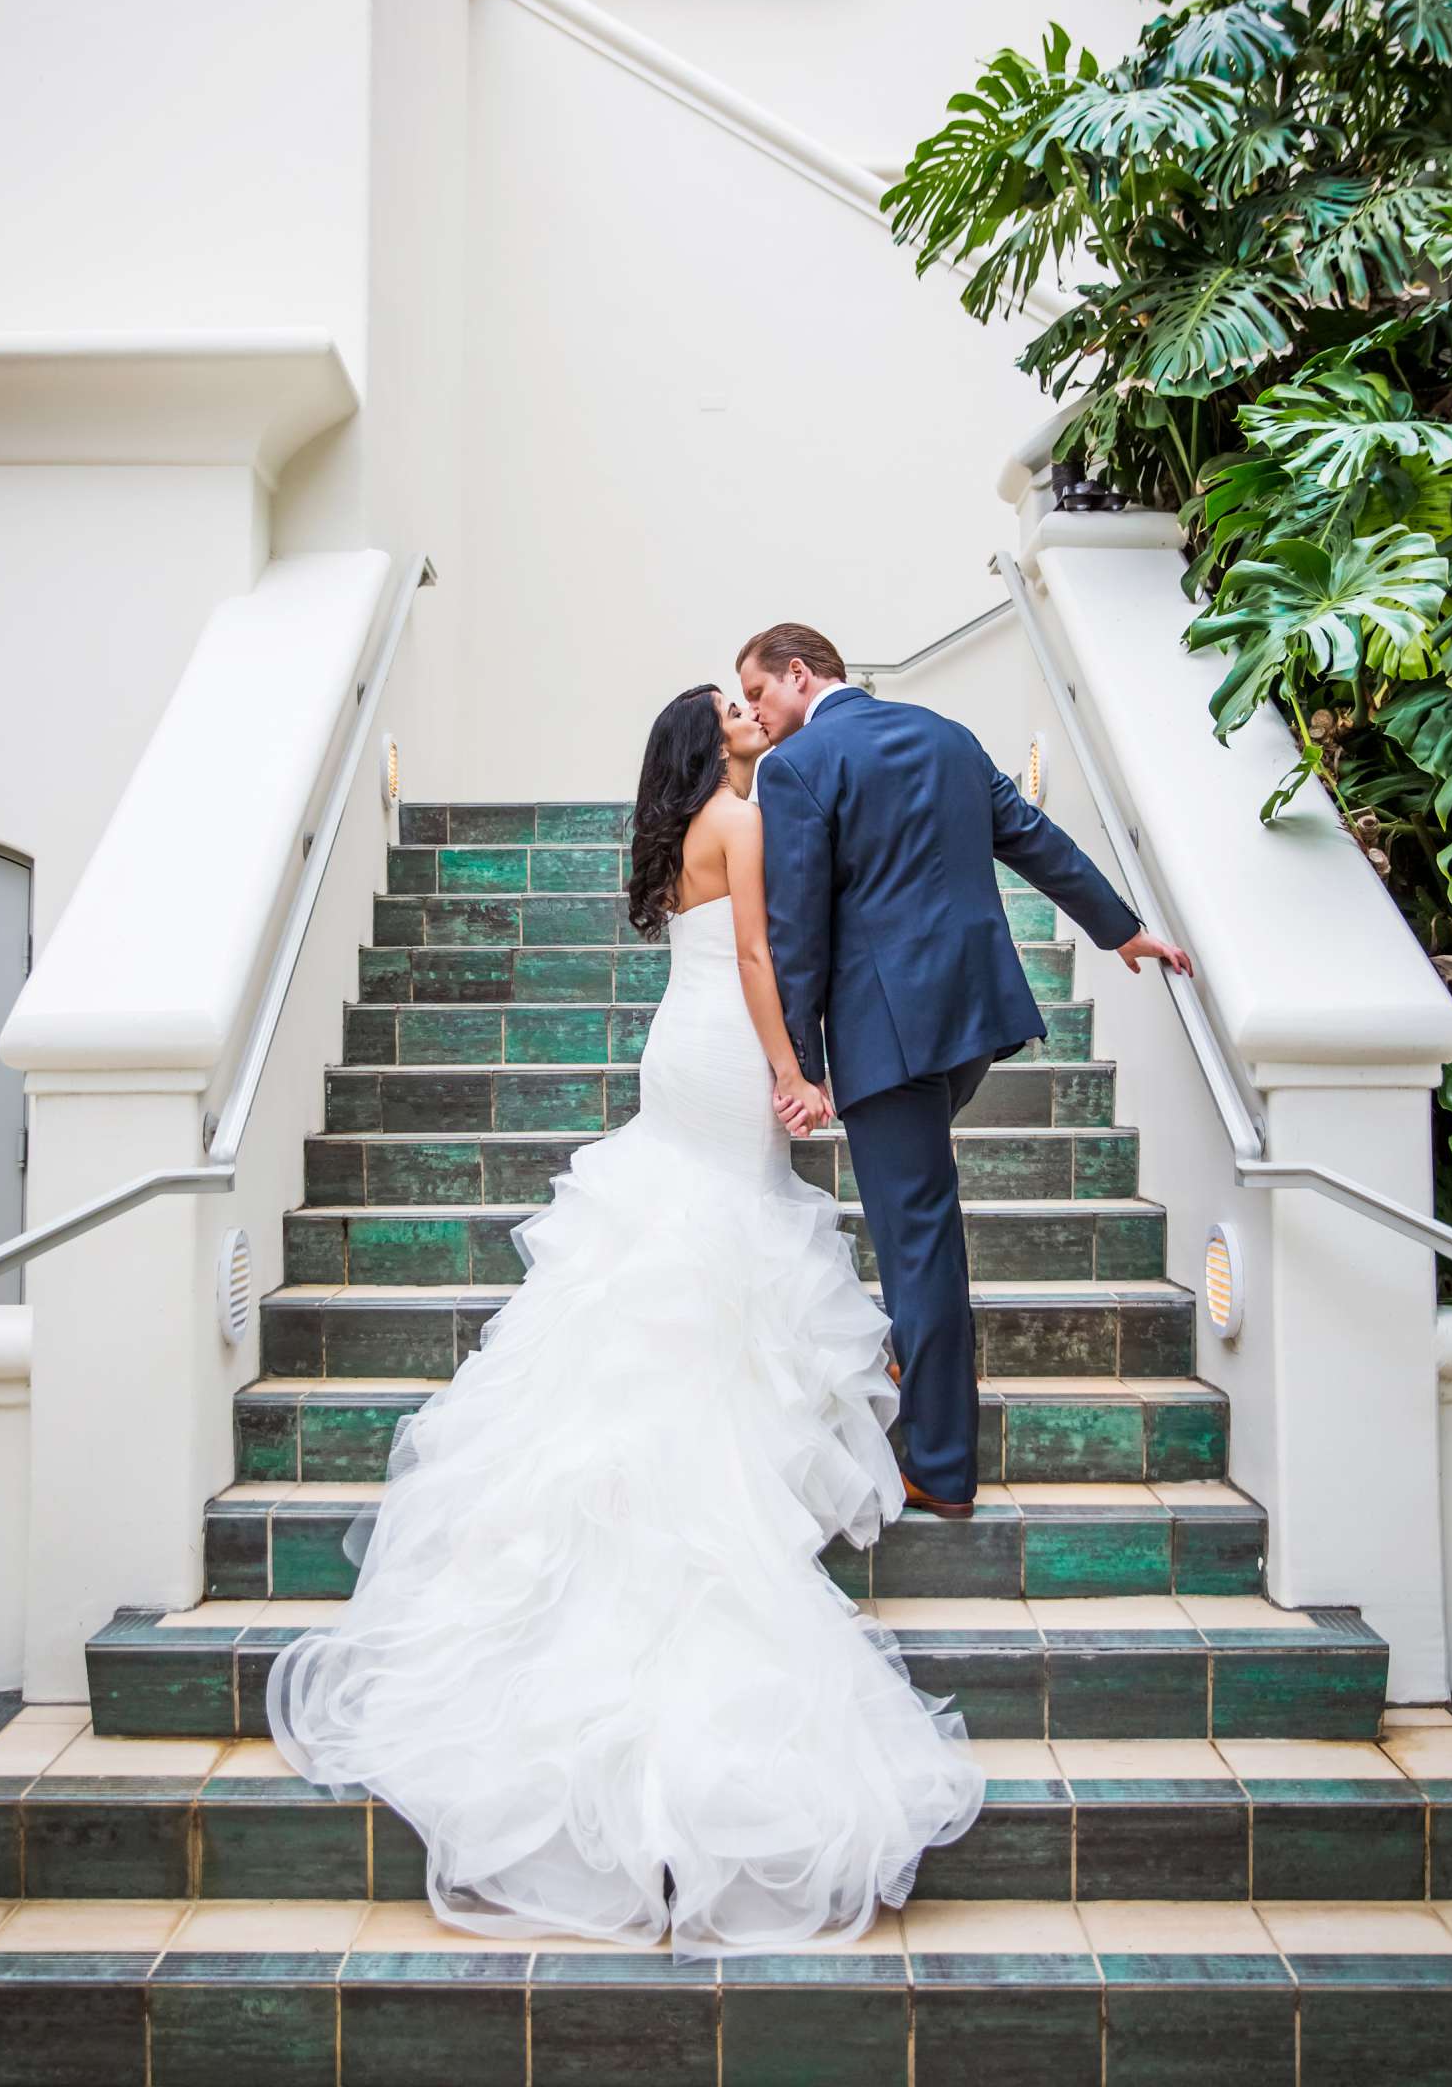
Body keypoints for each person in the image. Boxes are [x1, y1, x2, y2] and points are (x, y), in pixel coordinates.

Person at [266, 682, 983, 1958]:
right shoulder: (742, 816)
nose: (752, 710)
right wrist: (789, 1070)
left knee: (690, 1231)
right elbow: (762, 955)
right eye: (731, 706)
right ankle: (720, 1430)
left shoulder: (685, 823)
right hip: (726, 1051)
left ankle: (692, 1402)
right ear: (712, 742)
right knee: (720, 1230)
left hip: (678, 1049)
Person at [739, 622, 1193, 1520]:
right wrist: (1119, 927)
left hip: (888, 1036)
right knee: (921, 1217)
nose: (755, 715)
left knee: (920, 1243)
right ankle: (918, 1349)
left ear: (800, 674)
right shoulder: (945, 733)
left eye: (757, 694)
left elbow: (796, 929)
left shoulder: (792, 769)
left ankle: (942, 1466)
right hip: (975, 1019)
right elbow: (1031, 835)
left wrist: (803, 1065)